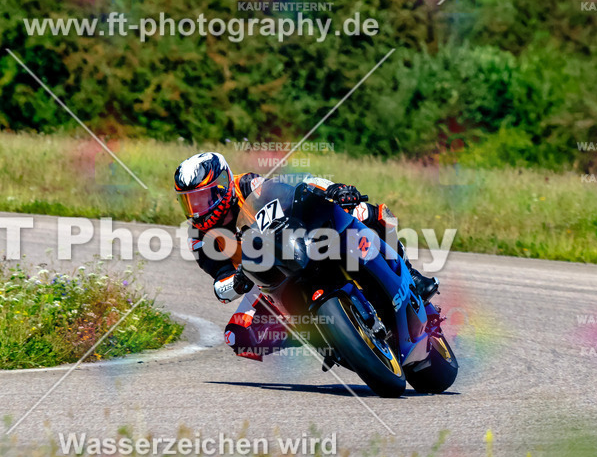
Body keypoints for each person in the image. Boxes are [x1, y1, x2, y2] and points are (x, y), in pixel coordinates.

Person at [173, 151, 438, 361]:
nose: (196, 210)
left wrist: (334, 189)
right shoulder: (199, 237)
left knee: (361, 211)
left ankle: (410, 274)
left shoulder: (247, 185)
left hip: (294, 240)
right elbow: (220, 284)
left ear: (221, 185)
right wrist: (237, 281)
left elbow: (300, 185)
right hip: (262, 279)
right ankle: (320, 335)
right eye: (189, 201)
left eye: (202, 198)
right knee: (238, 336)